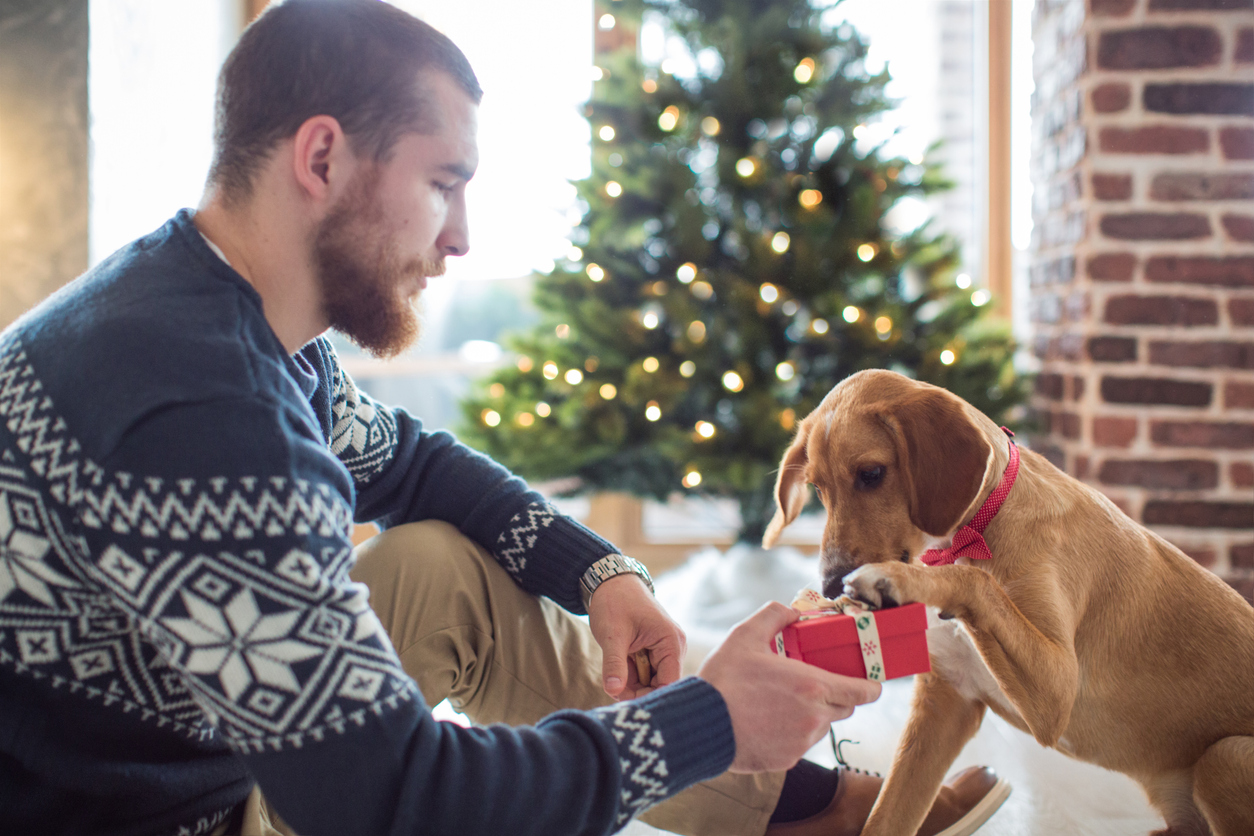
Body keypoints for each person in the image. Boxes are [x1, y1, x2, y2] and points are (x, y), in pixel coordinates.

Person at [0, 2, 1007, 835]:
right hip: (156, 818)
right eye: (443, 185)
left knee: (441, 563)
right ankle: (776, 789)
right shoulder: (208, 417)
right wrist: (707, 718)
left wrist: (599, 571)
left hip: (197, 759)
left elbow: (419, 465)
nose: (463, 238)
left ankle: (793, 811)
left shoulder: (213, 314)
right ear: (321, 157)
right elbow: (395, 795)